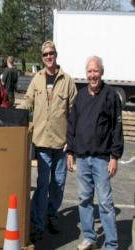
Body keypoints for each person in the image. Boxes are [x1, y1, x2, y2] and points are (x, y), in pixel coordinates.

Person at [17, 40, 77, 242]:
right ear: (42, 58)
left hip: (61, 143)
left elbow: (74, 113)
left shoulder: (67, 81)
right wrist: (16, 114)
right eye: (45, 55)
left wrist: (72, 142)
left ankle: (52, 215)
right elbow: (28, 102)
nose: (48, 57)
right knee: (43, 184)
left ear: (56, 55)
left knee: (58, 184)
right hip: (41, 141)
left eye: (51, 53)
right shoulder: (37, 79)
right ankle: (37, 223)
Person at [67, 56, 124, 250]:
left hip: (101, 158)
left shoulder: (111, 96)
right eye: (89, 71)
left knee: (106, 203)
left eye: (96, 71)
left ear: (102, 72)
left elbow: (117, 127)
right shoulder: (81, 96)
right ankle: (89, 237)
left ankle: (111, 244)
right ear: (86, 73)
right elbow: (72, 124)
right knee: (84, 200)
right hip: (82, 158)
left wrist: (115, 156)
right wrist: (70, 151)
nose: (92, 75)